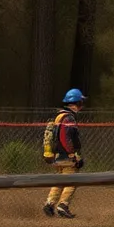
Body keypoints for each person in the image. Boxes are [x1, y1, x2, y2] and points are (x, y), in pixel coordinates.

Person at [42, 89, 86, 219]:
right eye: (81, 102)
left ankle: (50, 203)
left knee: (60, 181)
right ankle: (63, 205)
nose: (82, 104)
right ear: (77, 102)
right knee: (72, 181)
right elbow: (65, 138)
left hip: (57, 157)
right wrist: (72, 155)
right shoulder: (68, 118)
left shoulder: (59, 116)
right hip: (67, 157)